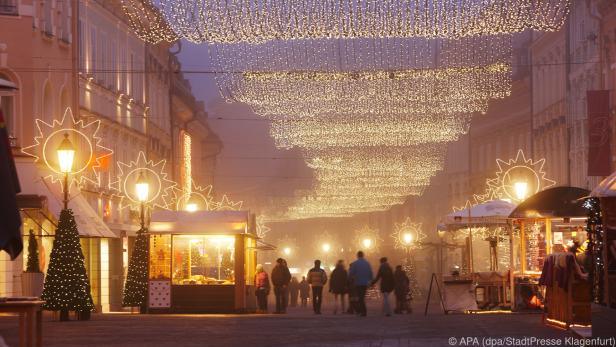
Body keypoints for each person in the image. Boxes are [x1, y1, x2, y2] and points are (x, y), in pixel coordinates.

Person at [349, 251, 373, 317]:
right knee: (362, 296)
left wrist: (350, 279)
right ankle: (362, 311)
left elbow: (351, 273)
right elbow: (370, 273)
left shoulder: (355, 263)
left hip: (358, 282)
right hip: (365, 283)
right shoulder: (367, 263)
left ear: (357, 256)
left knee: (360, 297)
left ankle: (362, 311)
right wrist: (371, 281)